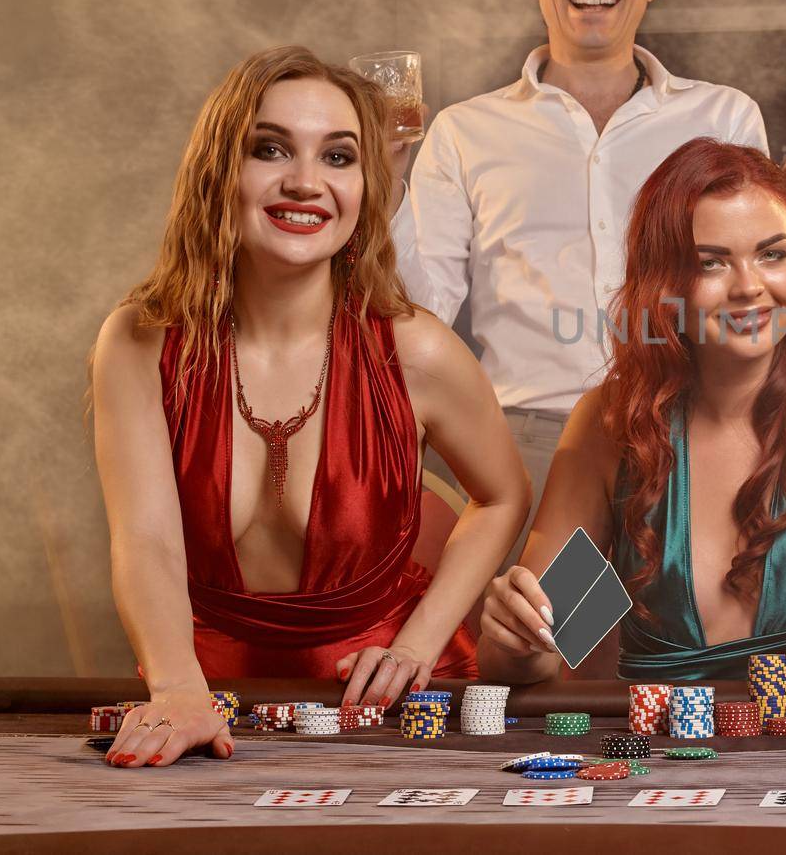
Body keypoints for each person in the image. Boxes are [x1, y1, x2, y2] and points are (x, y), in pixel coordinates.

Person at [91, 47, 529, 768]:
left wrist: (418, 643)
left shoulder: (417, 349)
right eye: (270, 148)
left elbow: (505, 494)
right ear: (218, 170)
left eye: (338, 156)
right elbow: (146, 544)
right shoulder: (140, 343)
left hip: (389, 716)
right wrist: (174, 687)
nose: (305, 182)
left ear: (365, 185)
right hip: (203, 701)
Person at [389, 0, 786, 539]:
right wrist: (387, 185)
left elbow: (751, 298)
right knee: (550, 640)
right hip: (526, 450)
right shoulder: (462, 130)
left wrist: (780, 230)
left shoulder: (723, 114)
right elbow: (423, 312)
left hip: (688, 436)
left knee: (674, 641)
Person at [476, 140, 786, 682]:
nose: (749, 288)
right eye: (711, 263)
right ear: (663, 284)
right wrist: (513, 637)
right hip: (655, 761)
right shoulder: (615, 422)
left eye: (772, 254)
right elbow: (544, 653)